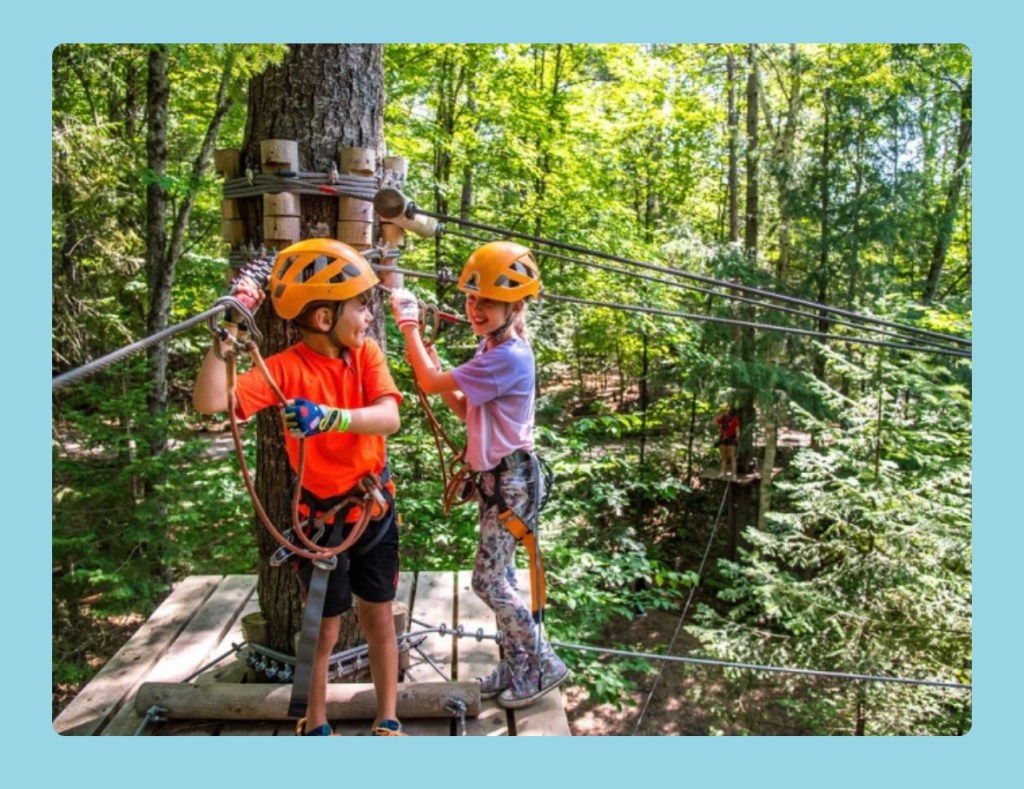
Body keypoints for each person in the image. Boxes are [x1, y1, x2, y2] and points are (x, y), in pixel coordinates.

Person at [193, 238, 405, 736]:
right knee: (324, 627)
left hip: (373, 511)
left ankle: (387, 715)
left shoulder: (366, 355)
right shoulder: (286, 369)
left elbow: (389, 418)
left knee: (378, 618)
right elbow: (209, 401)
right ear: (325, 319)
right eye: (360, 307)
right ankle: (315, 720)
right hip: (322, 522)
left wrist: (328, 417)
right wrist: (226, 330)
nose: (369, 318)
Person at [388, 240, 570, 709]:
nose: (475, 308)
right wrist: (428, 354)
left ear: (514, 307)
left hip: (512, 484)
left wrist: (409, 328)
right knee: (502, 576)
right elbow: (464, 406)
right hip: (500, 482)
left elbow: (429, 383)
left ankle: (543, 663)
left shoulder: (508, 356)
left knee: (487, 583)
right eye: (472, 298)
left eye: (488, 301)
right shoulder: (493, 346)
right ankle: (517, 668)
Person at [713, 403, 740, 478]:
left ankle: (734, 474)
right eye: (723, 411)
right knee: (724, 457)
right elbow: (714, 423)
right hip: (723, 439)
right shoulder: (722, 419)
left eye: (725, 411)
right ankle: (722, 472)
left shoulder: (735, 419)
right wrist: (719, 415)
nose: (725, 413)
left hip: (731, 439)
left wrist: (736, 439)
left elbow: (737, 431)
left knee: (732, 457)